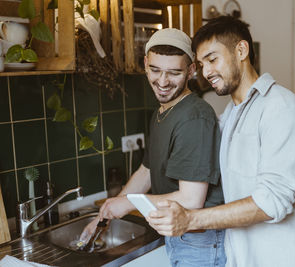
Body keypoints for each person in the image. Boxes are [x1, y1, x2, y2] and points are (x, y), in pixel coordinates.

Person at [147, 16, 295, 267]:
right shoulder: (230, 116)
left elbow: (271, 203)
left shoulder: (281, 107)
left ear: (241, 50)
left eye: (213, 59)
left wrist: (191, 219)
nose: (207, 73)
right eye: (202, 64)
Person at [80, 28, 226, 267]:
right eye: (155, 70)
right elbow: (146, 171)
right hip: (179, 236)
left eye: (174, 73)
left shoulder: (195, 117)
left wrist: (127, 204)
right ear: (145, 63)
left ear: (191, 71)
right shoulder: (162, 111)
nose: (163, 81)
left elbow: (191, 199)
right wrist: (105, 216)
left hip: (199, 242)